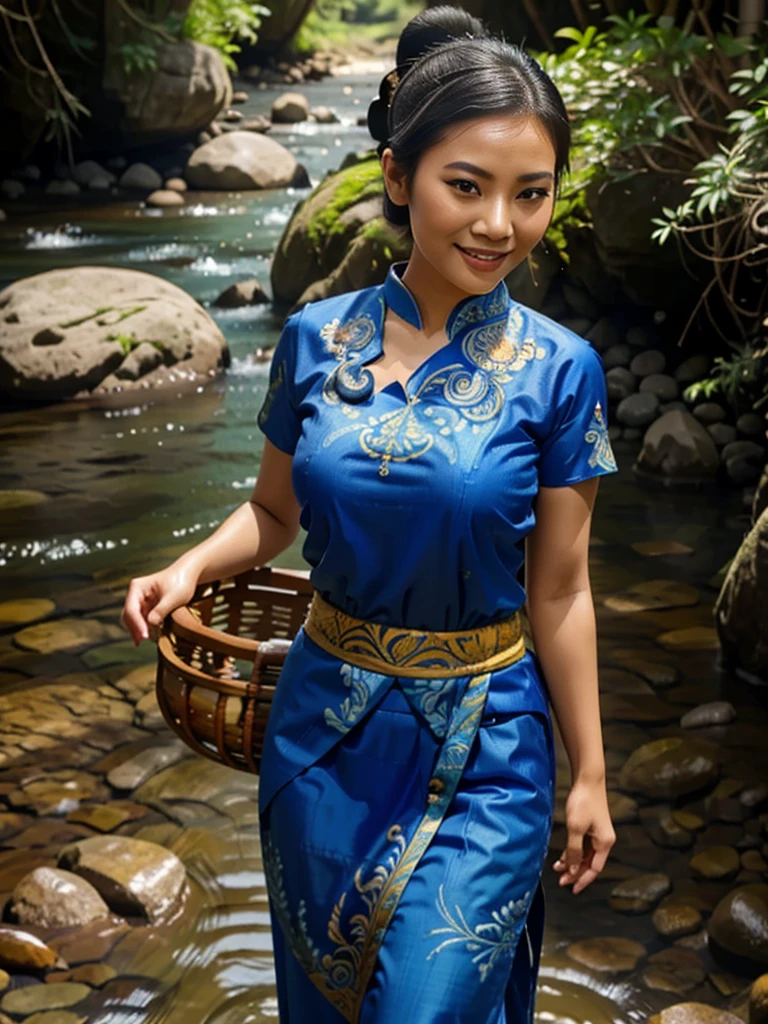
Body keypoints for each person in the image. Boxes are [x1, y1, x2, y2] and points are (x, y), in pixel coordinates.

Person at [121, 6, 620, 1022]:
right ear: (399, 179)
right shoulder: (311, 340)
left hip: (491, 747)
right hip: (323, 739)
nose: (499, 225)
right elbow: (272, 510)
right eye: (466, 187)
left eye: (532, 195)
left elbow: (561, 588)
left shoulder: (563, 372)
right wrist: (190, 567)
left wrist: (591, 774)